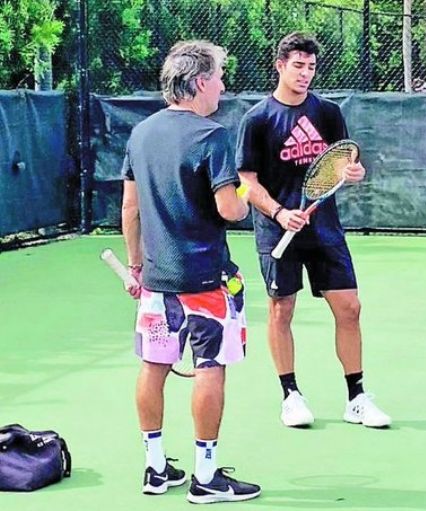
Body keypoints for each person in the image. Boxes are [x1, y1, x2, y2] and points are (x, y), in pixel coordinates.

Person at [121, 40, 261, 503]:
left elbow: (130, 208)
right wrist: (247, 195)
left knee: (153, 367)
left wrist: (137, 265)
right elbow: (229, 209)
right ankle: (206, 478)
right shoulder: (212, 135)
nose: (223, 85)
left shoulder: (140, 135)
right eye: (219, 76)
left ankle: (155, 468)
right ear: (200, 82)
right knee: (210, 368)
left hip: (157, 284)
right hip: (205, 283)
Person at [235, 32, 391, 428]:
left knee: (350, 308)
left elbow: (343, 163)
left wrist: (354, 173)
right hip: (278, 231)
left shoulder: (328, 112)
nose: (305, 74)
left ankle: (356, 397)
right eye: (298, 66)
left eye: (311, 67)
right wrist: (278, 213)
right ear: (280, 66)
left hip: (324, 230)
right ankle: (291, 395)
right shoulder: (256, 120)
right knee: (281, 309)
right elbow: (246, 183)